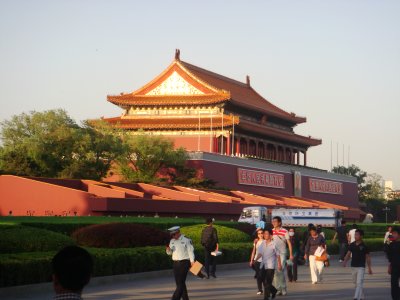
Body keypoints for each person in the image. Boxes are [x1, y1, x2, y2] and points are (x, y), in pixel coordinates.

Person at [166, 226, 195, 300]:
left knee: (180, 284)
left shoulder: (186, 240)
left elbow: (190, 251)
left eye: (174, 234)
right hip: (175, 264)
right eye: (172, 235)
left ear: (178, 233)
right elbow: (169, 253)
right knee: (179, 283)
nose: (173, 236)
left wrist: (192, 262)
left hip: (184, 263)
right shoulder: (172, 241)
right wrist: (168, 250)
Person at [343, 229, 372, 300]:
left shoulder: (364, 246)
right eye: (355, 235)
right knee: (355, 282)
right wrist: (345, 261)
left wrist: (369, 268)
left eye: (357, 235)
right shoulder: (352, 244)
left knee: (359, 283)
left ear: (361, 236)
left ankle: (356, 297)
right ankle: (361, 296)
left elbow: (368, 257)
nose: (355, 236)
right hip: (353, 266)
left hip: (361, 267)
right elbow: (348, 254)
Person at [255, 228, 283, 300]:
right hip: (263, 265)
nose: (265, 235)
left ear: (271, 235)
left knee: (268, 282)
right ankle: (274, 290)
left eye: (266, 234)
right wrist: (255, 260)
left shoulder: (274, 244)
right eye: (264, 234)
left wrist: (279, 264)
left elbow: (278, 255)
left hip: (271, 266)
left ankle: (266, 297)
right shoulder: (262, 243)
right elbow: (260, 253)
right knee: (263, 280)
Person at [271, 216, 293, 296]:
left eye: (275, 221)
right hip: (273, 254)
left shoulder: (284, 231)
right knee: (275, 272)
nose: (273, 223)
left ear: (279, 222)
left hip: (282, 253)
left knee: (280, 270)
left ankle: (283, 288)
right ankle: (278, 289)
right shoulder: (271, 231)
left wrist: (290, 254)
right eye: (273, 221)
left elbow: (289, 243)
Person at [387, 226, 400, 300]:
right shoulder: (391, 245)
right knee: (394, 285)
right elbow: (390, 257)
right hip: (394, 267)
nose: (393, 235)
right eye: (393, 233)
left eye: (395, 233)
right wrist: (389, 266)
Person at [250, 228, 264, 295]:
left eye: (261, 233)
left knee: (262, 275)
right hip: (257, 260)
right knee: (259, 276)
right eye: (259, 233)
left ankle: (267, 288)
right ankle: (260, 289)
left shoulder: (266, 241)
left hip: (264, 261)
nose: (260, 234)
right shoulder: (256, 241)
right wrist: (251, 260)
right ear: (257, 235)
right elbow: (253, 251)